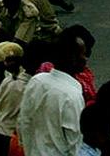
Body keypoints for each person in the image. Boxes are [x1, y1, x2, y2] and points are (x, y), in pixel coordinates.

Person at [16, 26, 89, 156]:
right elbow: (75, 144)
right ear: (72, 58)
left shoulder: (37, 81)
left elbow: (23, 122)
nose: (85, 58)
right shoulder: (72, 96)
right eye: (82, 54)